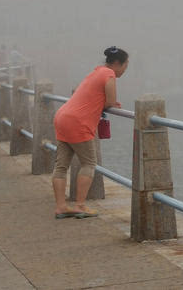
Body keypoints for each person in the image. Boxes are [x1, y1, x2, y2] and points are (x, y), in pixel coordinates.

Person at [51, 46, 128, 219]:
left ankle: (61, 207)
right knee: (89, 163)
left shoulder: (95, 72)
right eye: (125, 66)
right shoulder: (109, 75)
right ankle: (80, 205)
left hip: (62, 117)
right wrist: (112, 104)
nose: (124, 70)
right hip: (78, 122)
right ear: (117, 63)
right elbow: (110, 101)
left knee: (61, 166)